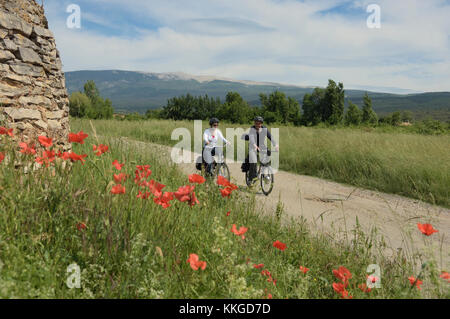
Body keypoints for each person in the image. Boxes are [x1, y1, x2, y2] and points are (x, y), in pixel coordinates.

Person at [244, 116, 279, 181]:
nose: (258, 125)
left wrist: (275, 145)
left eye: (259, 123)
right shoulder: (252, 129)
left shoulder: (264, 129)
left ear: (261, 123)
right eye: (256, 123)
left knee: (268, 154)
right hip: (252, 146)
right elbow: (251, 138)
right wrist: (255, 145)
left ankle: (264, 168)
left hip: (261, 145)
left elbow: (270, 137)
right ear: (254, 123)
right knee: (253, 162)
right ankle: (251, 179)